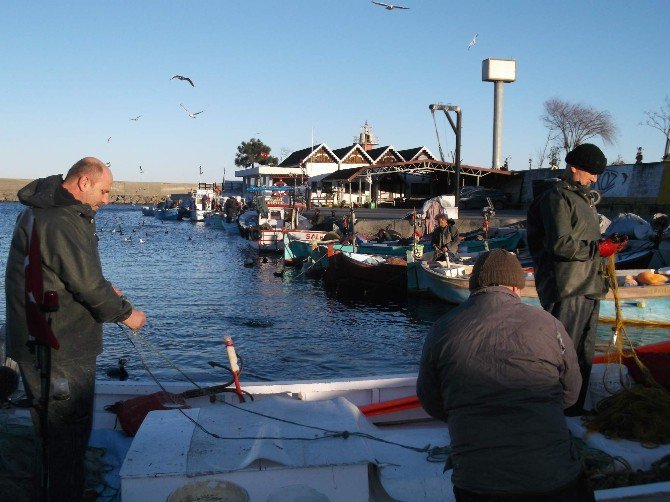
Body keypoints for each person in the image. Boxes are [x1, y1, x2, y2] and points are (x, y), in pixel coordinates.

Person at [4, 157, 146, 501]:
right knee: (66, 436)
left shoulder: (47, 212)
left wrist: (101, 289)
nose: (108, 199)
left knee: (52, 437)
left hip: (44, 340)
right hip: (57, 346)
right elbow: (84, 284)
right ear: (84, 182)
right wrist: (127, 314)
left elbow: (62, 273)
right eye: (105, 190)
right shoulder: (60, 218)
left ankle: (58, 491)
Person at [417, 249, 590, 501]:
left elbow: (431, 401)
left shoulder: (441, 329)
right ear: (515, 287)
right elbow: (571, 394)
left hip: (476, 483)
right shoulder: (549, 324)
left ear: (474, 287)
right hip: (553, 478)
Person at [527, 143, 624, 415]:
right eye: (592, 173)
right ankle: (555, 411)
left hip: (589, 286)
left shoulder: (581, 198)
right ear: (574, 168)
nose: (595, 179)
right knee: (564, 353)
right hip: (568, 289)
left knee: (583, 352)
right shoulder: (556, 197)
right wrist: (598, 249)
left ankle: (575, 411)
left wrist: (607, 245)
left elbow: (580, 242)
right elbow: (560, 245)